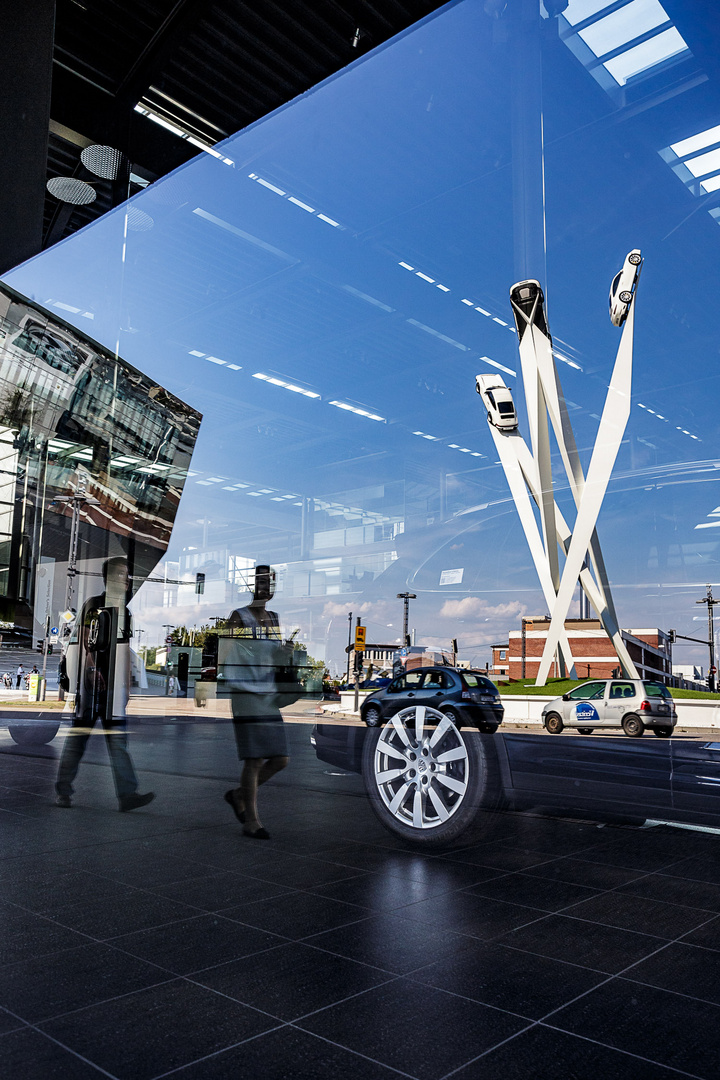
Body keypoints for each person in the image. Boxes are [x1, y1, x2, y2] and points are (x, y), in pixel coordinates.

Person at [55, 556, 155, 812]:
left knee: (117, 742)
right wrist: (91, 670)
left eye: (127, 575)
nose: (126, 580)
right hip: (91, 689)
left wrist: (126, 688)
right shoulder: (94, 605)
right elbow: (86, 642)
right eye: (122, 574)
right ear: (108, 578)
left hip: (113, 690)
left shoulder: (126, 611)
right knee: (78, 740)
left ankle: (127, 794)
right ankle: (63, 790)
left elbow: (124, 650)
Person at [222, 565, 290, 840]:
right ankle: (252, 820)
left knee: (281, 759)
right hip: (245, 693)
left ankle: (238, 795)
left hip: (268, 694)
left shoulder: (274, 618)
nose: (265, 588)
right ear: (251, 586)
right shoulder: (238, 617)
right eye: (260, 582)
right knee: (254, 759)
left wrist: (285, 653)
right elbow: (223, 654)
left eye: (270, 583)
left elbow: (275, 657)